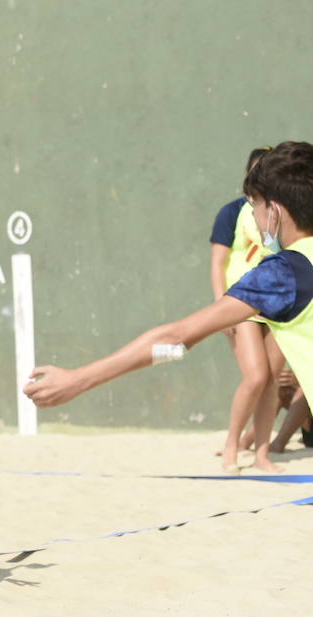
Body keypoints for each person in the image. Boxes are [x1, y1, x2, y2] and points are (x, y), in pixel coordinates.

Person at [26, 142, 313, 466]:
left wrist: (78, 380)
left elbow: (176, 340)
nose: (255, 220)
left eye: (256, 206)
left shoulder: (284, 272)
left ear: (273, 211)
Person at [213, 147, 286, 473]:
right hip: (242, 303)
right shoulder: (232, 212)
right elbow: (217, 263)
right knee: (256, 376)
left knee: (271, 381)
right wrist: (220, 307)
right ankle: (232, 446)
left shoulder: (284, 213)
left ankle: (261, 454)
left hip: (279, 305)